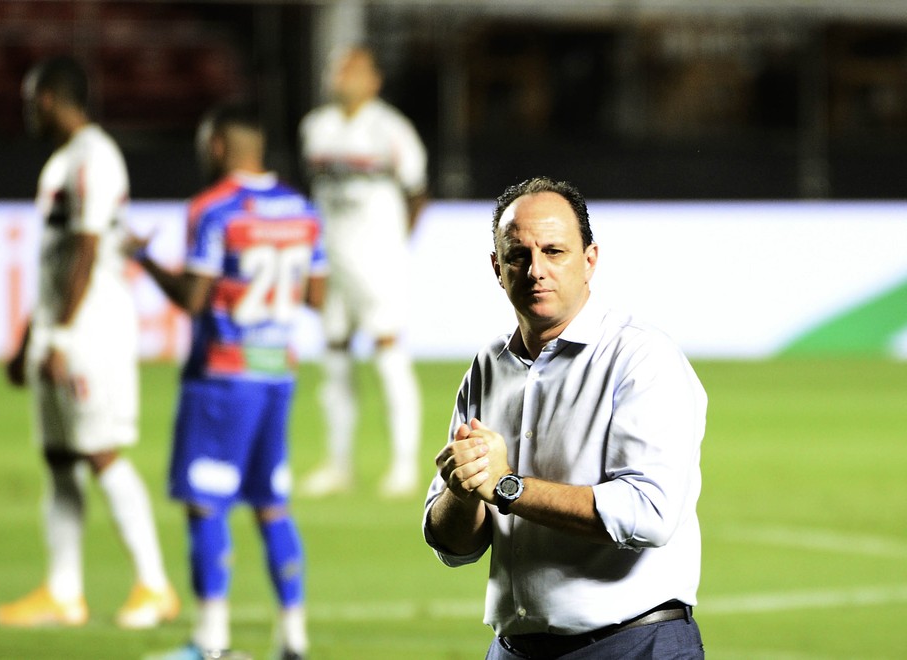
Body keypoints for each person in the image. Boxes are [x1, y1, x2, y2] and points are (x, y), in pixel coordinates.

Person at [423, 176, 707, 659]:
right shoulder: (488, 366)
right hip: (512, 648)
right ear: (497, 268)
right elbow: (454, 548)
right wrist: (461, 488)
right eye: (518, 255)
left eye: (554, 251)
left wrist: (508, 487)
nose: (536, 270)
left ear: (590, 260)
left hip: (633, 644)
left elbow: (650, 514)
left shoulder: (641, 358)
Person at [130, 103, 326, 660]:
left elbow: (193, 298)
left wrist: (144, 259)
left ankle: (211, 643)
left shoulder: (213, 209)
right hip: (276, 374)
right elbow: (317, 296)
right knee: (271, 503)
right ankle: (293, 638)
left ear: (217, 144)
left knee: (205, 503)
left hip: (222, 377)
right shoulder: (303, 210)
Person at [0, 55, 178, 629]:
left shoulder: (96, 157)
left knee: (100, 452)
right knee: (59, 458)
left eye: (31, 101)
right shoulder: (62, 162)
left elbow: (88, 249)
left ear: (49, 99)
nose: (27, 111)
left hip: (91, 330)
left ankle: (155, 585)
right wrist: (31, 337)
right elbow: (54, 261)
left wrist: (63, 335)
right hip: (61, 326)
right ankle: (64, 592)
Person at [298, 44, 427, 497]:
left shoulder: (391, 129)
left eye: (353, 70)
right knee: (334, 353)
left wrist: (395, 246)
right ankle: (338, 463)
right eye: (338, 69)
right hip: (331, 257)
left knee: (388, 350)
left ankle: (405, 465)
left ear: (374, 80)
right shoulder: (316, 127)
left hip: (377, 260)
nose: (342, 77)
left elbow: (417, 192)